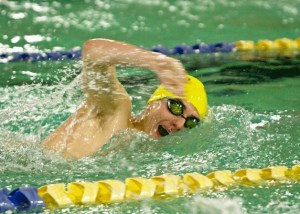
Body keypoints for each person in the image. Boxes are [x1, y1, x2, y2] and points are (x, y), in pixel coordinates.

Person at [43, 39, 208, 159]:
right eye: (176, 108)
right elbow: (93, 51)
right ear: (155, 102)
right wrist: (155, 62)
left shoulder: (143, 152)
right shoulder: (117, 110)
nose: (179, 124)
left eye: (191, 122)